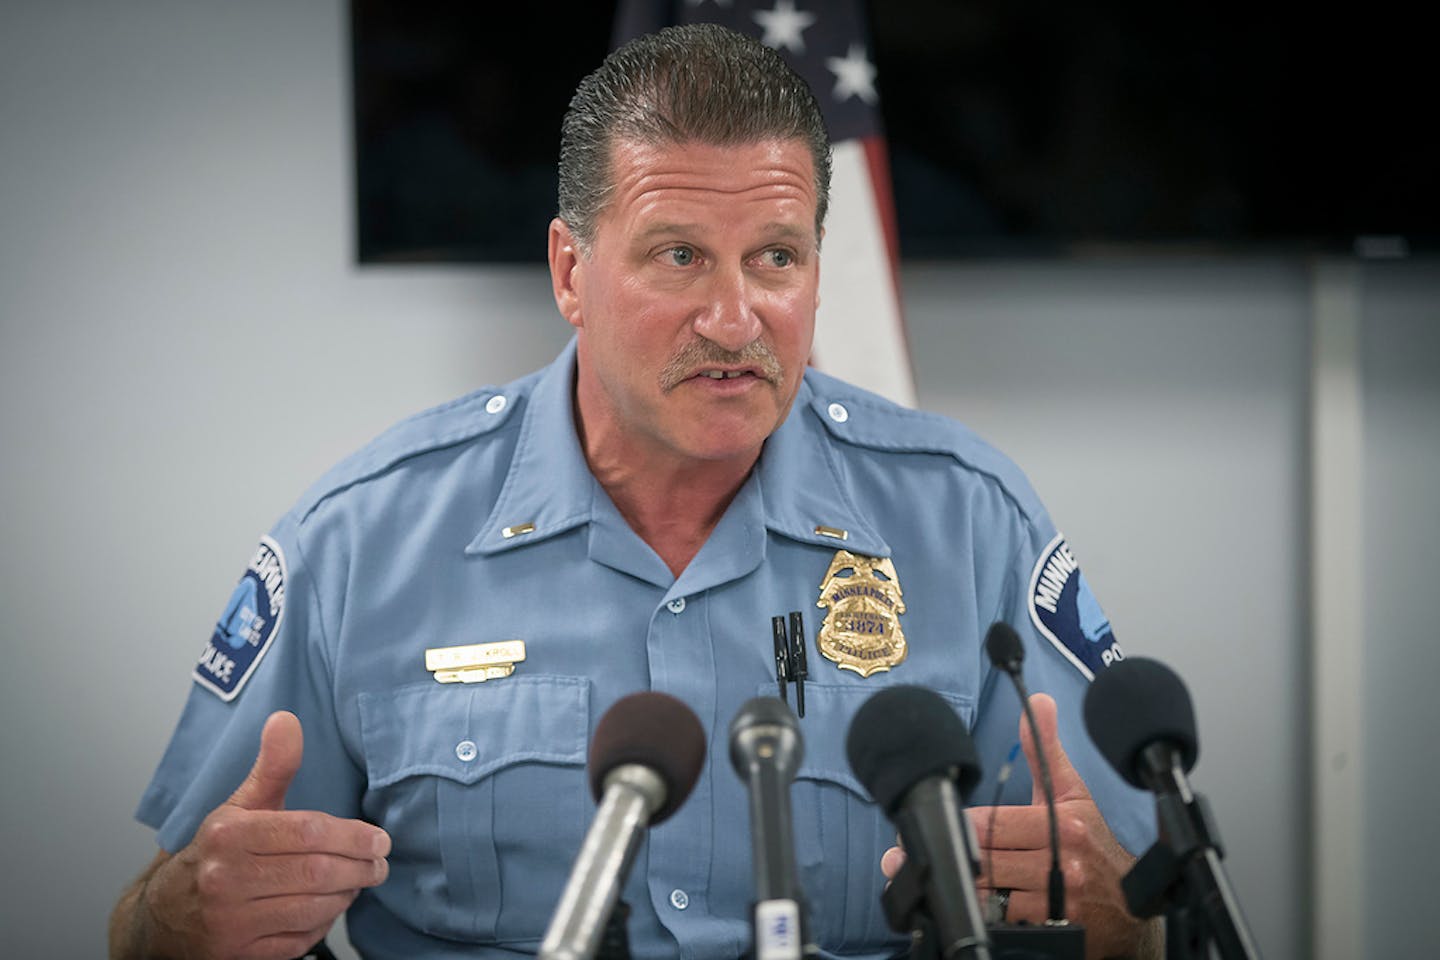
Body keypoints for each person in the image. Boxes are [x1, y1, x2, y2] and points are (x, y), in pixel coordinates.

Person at [111, 23, 1159, 960]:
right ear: (570, 271)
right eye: (679, 257)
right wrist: (176, 926)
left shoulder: (967, 522)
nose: (737, 318)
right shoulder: (363, 541)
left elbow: (1125, 906)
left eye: (776, 258)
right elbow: (156, 920)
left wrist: (1123, 927)